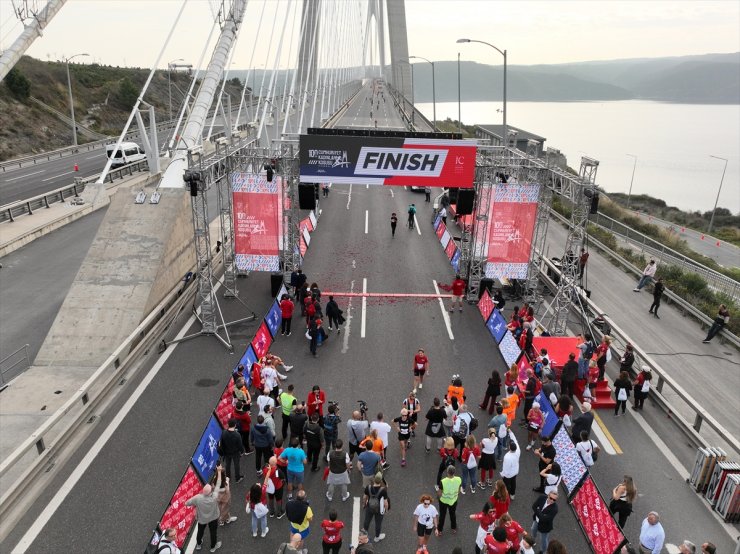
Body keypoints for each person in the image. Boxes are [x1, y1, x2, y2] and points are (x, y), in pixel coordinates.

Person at [186, 466, 223, 552]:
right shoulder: (214, 496)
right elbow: (218, 483)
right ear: (210, 492)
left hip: (202, 519)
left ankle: (198, 544)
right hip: (213, 518)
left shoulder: (198, 498)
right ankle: (213, 547)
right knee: (213, 533)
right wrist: (219, 471)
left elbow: (186, 503)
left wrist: (194, 505)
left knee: (200, 532)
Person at [362, 472, 389, 543]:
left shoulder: (368, 487)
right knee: (378, 523)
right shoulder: (383, 490)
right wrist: (386, 509)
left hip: (370, 506)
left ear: (374, 479)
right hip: (379, 509)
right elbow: (385, 502)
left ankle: (364, 532)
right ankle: (377, 537)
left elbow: (364, 497)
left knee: (367, 520)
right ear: (380, 481)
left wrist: (364, 504)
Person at [436, 465, 461, 535]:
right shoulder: (459, 479)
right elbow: (459, 491)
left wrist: (438, 498)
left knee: (442, 515)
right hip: (453, 500)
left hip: (443, 501)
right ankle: (454, 527)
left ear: (447, 472)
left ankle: (440, 530)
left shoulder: (443, 481)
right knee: (452, 514)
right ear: (454, 472)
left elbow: (439, 493)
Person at [219, 419, 245, 483]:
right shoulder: (237, 435)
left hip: (226, 452)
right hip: (235, 453)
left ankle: (228, 478)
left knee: (227, 465)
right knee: (236, 465)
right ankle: (237, 478)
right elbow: (240, 445)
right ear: (235, 425)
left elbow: (221, 443)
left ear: (228, 425)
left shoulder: (224, 432)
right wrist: (242, 451)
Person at [500, 432, 520, 499]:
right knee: (513, 483)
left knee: (507, 485)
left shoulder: (507, 457)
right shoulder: (518, 450)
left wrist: (503, 474)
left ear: (509, 447)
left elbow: (506, 468)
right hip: (515, 471)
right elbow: (515, 439)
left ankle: (506, 495)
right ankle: (512, 494)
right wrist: (511, 432)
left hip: (508, 474)